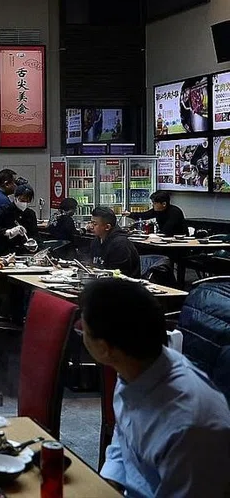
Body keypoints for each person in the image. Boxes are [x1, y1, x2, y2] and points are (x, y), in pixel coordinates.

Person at [80, 278, 230, 497]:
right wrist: (108, 484)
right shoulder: (138, 368)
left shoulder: (189, 427)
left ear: (104, 349)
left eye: (84, 330)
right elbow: (125, 436)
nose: (82, 335)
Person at [0, 184, 38, 258]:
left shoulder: (30, 214)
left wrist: (34, 243)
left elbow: (35, 233)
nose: (25, 203)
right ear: (15, 198)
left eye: (28, 201)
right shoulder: (4, 210)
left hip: (22, 253)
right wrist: (9, 232)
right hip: (2, 251)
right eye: (22, 200)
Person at [89, 207, 140, 278]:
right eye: (90, 222)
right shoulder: (96, 241)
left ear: (107, 227)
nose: (90, 226)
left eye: (94, 224)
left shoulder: (121, 244)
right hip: (101, 283)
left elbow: (118, 275)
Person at [123, 190, 189, 237]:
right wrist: (129, 214)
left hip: (178, 242)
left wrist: (153, 235)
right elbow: (144, 215)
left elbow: (167, 230)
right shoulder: (157, 210)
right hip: (165, 239)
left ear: (164, 204)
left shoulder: (175, 212)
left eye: (154, 203)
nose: (153, 205)